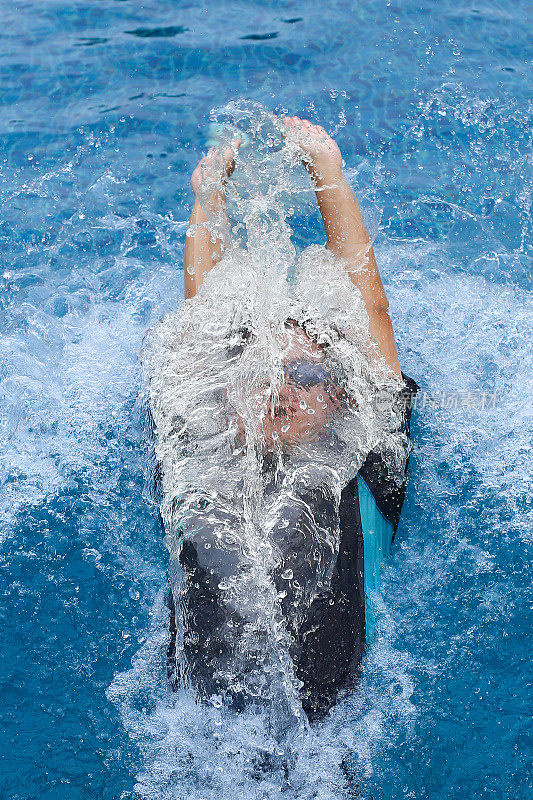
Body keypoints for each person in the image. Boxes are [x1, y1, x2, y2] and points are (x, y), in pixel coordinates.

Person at [149, 117, 418, 722]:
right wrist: (207, 198)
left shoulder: (363, 465)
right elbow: (203, 320)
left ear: (342, 398)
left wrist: (328, 171)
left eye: (308, 376)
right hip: (199, 748)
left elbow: (367, 304)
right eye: (265, 372)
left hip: (322, 752)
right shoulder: (200, 451)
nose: (281, 389)